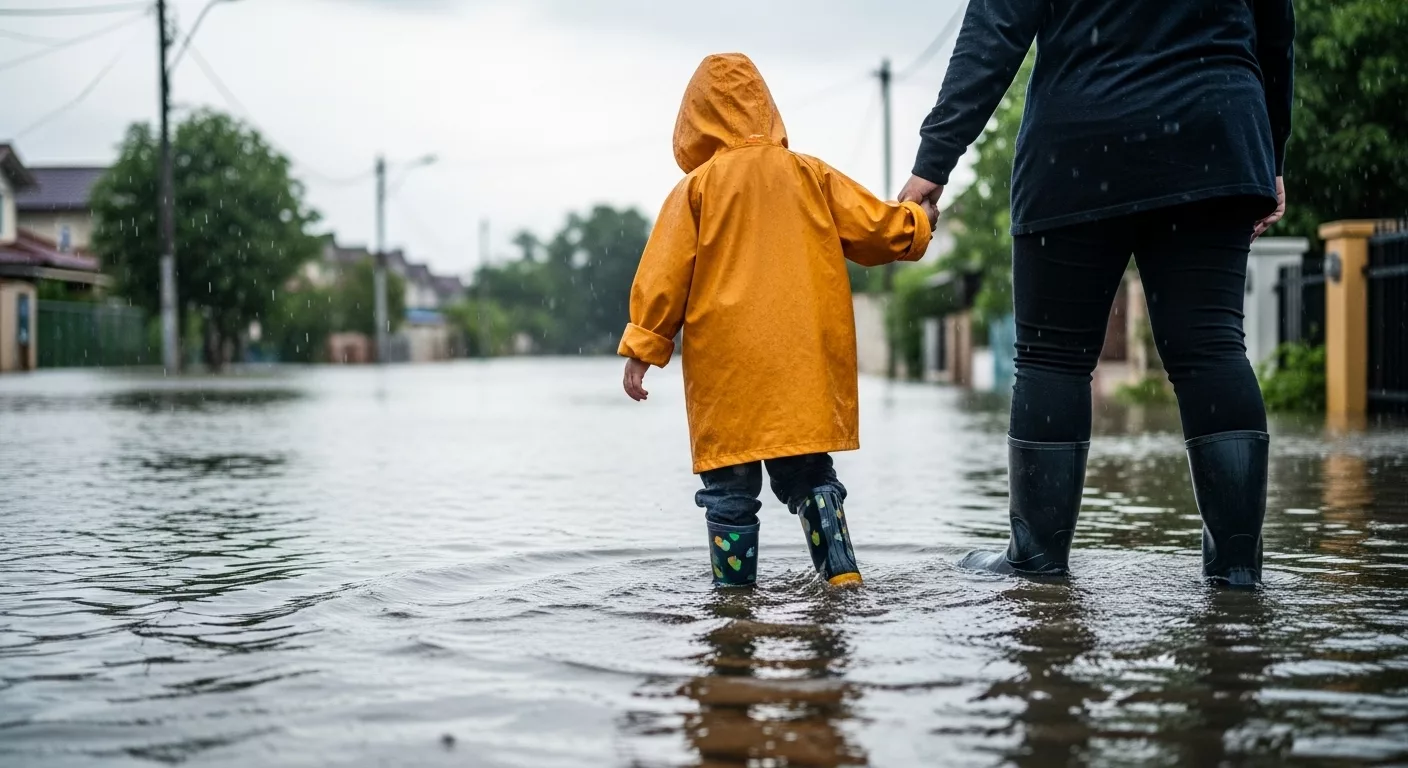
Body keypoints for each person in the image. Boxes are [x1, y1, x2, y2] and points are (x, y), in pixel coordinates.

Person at [898, 0, 1295, 586]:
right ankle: (1237, 572)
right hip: (1213, 133)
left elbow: (998, 26)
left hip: (1080, 136)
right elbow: (1276, 28)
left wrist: (935, 161)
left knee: (1052, 357)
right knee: (1210, 347)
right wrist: (1271, 152)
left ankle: (1036, 559)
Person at [620, 53, 935, 589]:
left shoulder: (695, 190)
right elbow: (876, 230)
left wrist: (643, 347)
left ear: (694, 119)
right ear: (765, 109)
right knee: (811, 475)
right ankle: (842, 579)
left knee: (730, 491)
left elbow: (663, 275)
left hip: (729, 375)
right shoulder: (811, 175)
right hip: (802, 365)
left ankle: (734, 605)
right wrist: (917, 220)